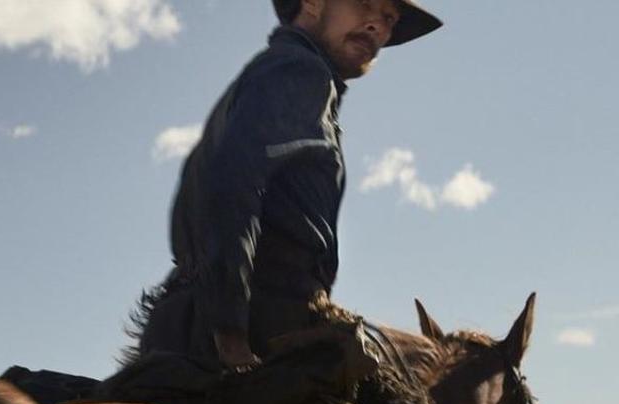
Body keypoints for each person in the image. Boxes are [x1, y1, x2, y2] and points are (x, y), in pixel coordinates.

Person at [136, 0, 443, 371]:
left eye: (389, 18)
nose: (377, 25)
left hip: (200, 314)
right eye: (365, 4)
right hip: (257, 324)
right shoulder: (301, 71)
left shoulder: (286, 74)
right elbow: (234, 186)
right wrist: (230, 332)